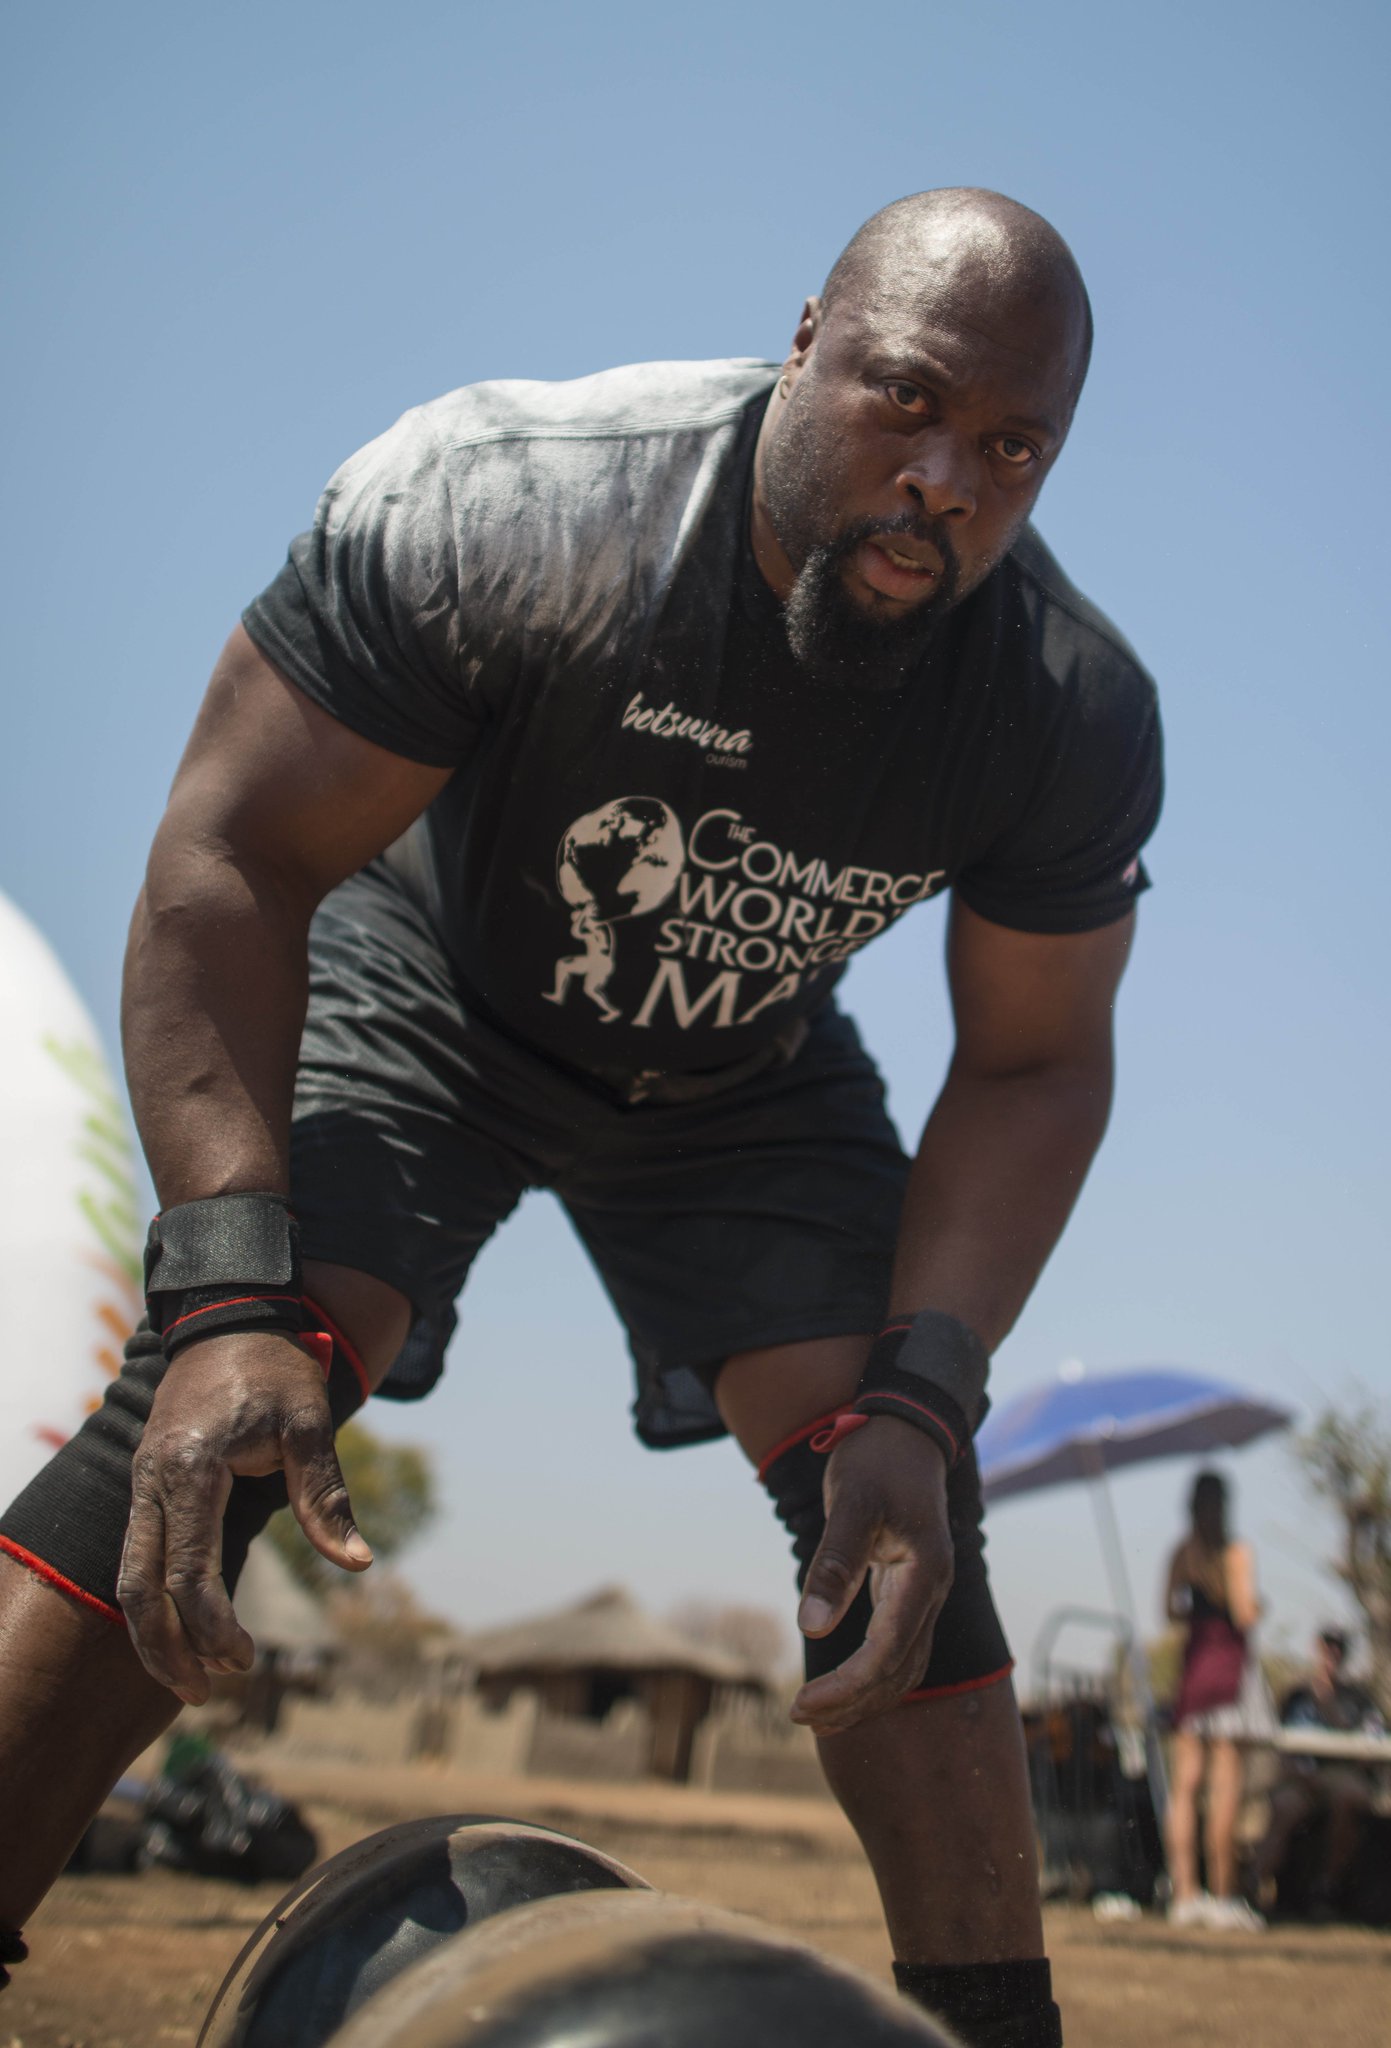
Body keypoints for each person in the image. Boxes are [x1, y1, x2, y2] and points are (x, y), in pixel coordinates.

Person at [0, 188, 1164, 2048]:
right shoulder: (518, 509)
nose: (946, 477)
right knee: (244, 1382)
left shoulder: (1063, 705)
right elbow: (230, 856)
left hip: (739, 1069)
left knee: (893, 1493)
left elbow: (1036, 1062)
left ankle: (992, 2023)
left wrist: (927, 1393)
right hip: (434, 981)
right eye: (903, 398)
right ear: (802, 343)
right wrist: (227, 1287)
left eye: (1010, 444)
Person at [1163, 1471, 1270, 1930]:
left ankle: (1184, 1893)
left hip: (1194, 1668)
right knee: (1226, 1787)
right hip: (1228, 1670)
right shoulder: (1235, 1553)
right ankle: (1222, 1895)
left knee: (1185, 1785)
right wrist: (1257, 1604)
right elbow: (1245, 1613)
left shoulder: (1182, 1554)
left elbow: (1169, 1611)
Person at [1255, 1627, 1386, 1919]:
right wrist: (1297, 1775)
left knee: (1349, 1797)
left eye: (1337, 1650)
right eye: (1326, 1649)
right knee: (1285, 1808)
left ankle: (1327, 1887)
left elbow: (1372, 1747)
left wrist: (1328, 1704)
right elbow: (1279, 1745)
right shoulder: (1296, 1695)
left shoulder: (1358, 1699)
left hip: (1340, 1775)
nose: (1331, 1656)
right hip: (1299, 1778)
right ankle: (1253, 1887)